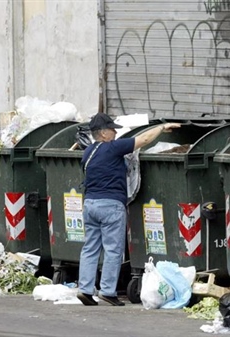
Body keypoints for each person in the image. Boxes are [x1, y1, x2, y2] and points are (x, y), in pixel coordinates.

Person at [77, 113, 181, 306]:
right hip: (110, 206)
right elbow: (144, 139)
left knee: (90, 248)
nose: (116, 132)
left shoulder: (88, 151)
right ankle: (107, 291)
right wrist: (161, 127)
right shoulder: (113, 147)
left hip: (90, 204)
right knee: (113, 250)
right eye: (112, 129)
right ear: (103, 133)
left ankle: (85, 289)